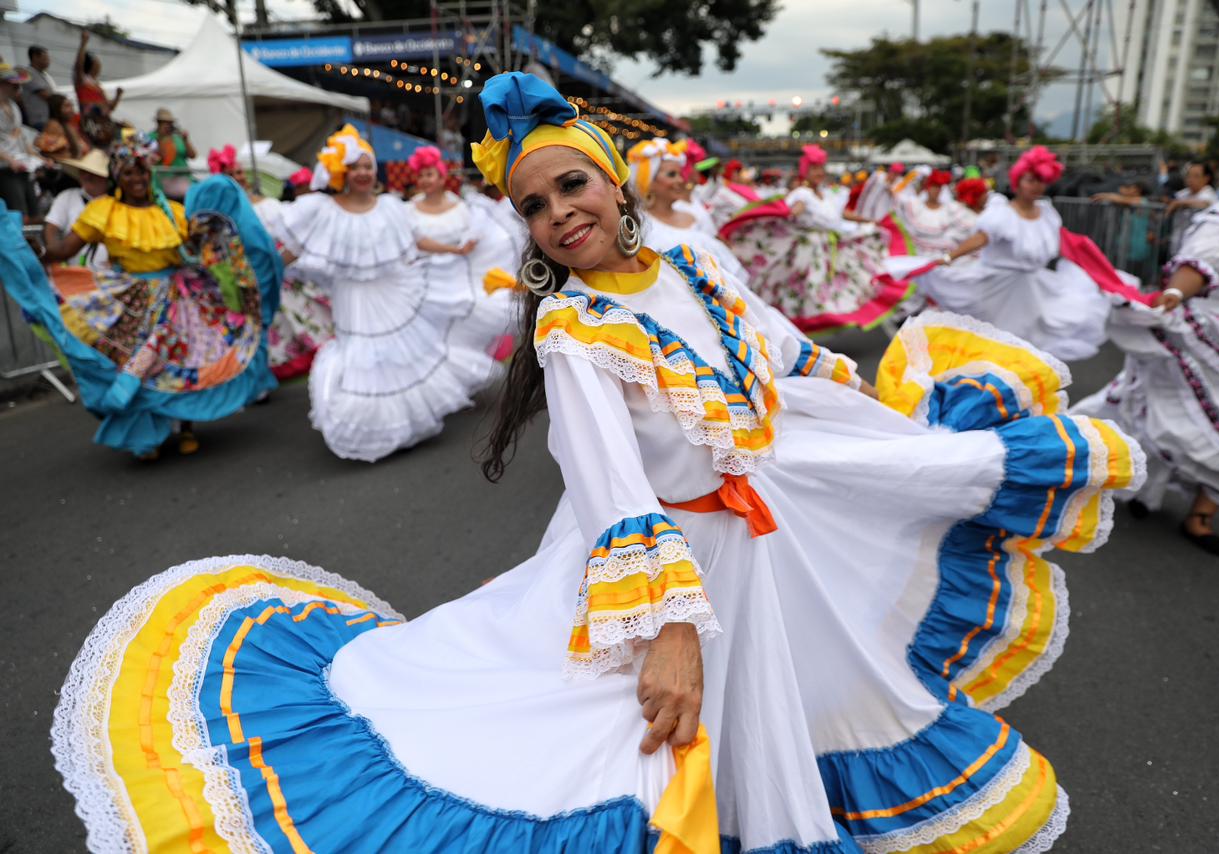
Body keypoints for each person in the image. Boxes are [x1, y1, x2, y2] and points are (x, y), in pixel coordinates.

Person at [47, 71, 1143, 854]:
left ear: (616, 182)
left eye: (573, 186)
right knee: (621, 740)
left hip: (760, 533)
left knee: (797, 702)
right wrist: (668, 628)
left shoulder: (697, 260)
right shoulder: (571, 329)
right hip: (667, 557)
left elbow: (775, 348)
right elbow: (610, 482)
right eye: (532, 203)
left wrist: (873, 419)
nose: (557, 213)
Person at [1074, 117, 1219, 557]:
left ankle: (1203, 512)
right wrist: (1170, 295)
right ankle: (1140, 478)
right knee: (1171, 418)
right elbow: (1200, 265)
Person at [11, 140, 280, 458]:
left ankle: (186, 427)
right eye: (128, 174)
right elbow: (62, 251)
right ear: (117, 179)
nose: (137, 180)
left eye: (142, 172)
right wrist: (28, 250)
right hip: (130, 301)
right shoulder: (103, 211)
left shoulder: (175, 212)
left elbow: (195, 253)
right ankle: (145, 434)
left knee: (181, 362)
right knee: (138, 367)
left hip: (178, 301)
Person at [275, 125, 484, 461]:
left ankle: (404, 427)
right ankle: (369, 429)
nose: (363, 173)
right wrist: (270, 266)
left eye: (368, 166)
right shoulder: (323, 209)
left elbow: (416, 239)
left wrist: (453, 250)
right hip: (354, 299)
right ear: (343, 171)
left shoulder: (390, 207)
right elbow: (295, 248)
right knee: (363, 358)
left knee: (398, 355)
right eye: (356, 166)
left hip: (391, 291)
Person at [907, 147, 1121, 362]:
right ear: (1017, 181)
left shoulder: (1047, 213)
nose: (1036, 186)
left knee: (1033, 343)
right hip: (997, 288)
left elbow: (1066, 245)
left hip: (1033, 290)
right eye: (1030, 180)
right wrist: (947, 259)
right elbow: (981, 238)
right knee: (993, 344)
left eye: (1041, 180)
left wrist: (1097, 274)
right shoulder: (1001, 213)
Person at [724, 144, 913, 333]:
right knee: (806, 296)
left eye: (821, 168)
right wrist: (786, 213)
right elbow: (792, 211)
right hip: (807, 254)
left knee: (840, 289)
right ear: (805, 171)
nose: (819, 173)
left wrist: (870, 220)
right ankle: (793, 333)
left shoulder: (827, 193)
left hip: (829, 249)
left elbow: (841, 214)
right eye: (814, 169)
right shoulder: (801, 194)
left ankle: (811, 329)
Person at [209, 144, 335, 381]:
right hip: (246, 280)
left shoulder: (268, 206)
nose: (238, 177)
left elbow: (288, 235)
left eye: (239, 172)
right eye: (231, 174)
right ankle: (258, 380)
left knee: (301, 321)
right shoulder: (221, 216)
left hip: (279, 274)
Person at [404, 143, 520, 387]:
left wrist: (472, 241)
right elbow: (411, 243)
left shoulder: (461, 207)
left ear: (441, 175)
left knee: (457, 329)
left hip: (456, 279)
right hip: (420, 281)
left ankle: (453, 379)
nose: (425, 180)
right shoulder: (408, 210)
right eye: (421, 175)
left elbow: (476, 236)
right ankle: (432, 382)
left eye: (430, 174)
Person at [628, 136, 749, 282]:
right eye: (671, 174)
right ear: (648, 181)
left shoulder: (695, 214)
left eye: (679, 174)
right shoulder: (638, 224)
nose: (680, 180)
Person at [41, 147, 110, 271]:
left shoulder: (116, 203)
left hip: (111, 273)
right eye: (84, 171)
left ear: (105, 178)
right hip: (75, 271)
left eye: (93, 173)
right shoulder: (67, 196)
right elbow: (51, 227)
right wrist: (55, 253)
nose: (87, 176)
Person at [0, 63, 42, 220]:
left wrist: (40, 158)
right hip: (5, 169)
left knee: (35, 215)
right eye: (14, 85)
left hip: (23, 166)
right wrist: (10, 161)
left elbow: (21, 139)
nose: (19, 89)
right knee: (19, 216)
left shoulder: (13, 106)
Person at [72, 30, 122, 118]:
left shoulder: (97, 86)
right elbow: (79, 66)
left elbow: (110, 107)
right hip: (91, 124)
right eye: (97, 63)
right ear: (92, 66)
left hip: (104, 122)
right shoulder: (82, 81)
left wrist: (118, 96)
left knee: (129, 131)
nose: (99, 66)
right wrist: (83, 43)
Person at [149, 108, 196, 200]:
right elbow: (160, 157)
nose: (168, 126)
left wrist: (186, 140)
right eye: (165, 123)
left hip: (184, 178)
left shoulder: (177, 137)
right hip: (164, 180)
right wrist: (162, 138)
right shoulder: (151, 138)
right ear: (158, 123)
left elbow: (193, 155)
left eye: (170, 123)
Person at [35, 94, 90, 161]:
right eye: (66, 106)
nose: (71, 109)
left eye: (71, 105)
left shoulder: (67, 125)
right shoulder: (53, 125)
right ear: (56, 109)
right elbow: (47, 151)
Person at [19, 45, 54, 130]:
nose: (49, 61)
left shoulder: (41, 74)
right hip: (40, 120)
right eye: (45, 58)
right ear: (35, 57)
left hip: (48, 120)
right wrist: (59, 101)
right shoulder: (28, 73)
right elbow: (45, 94)